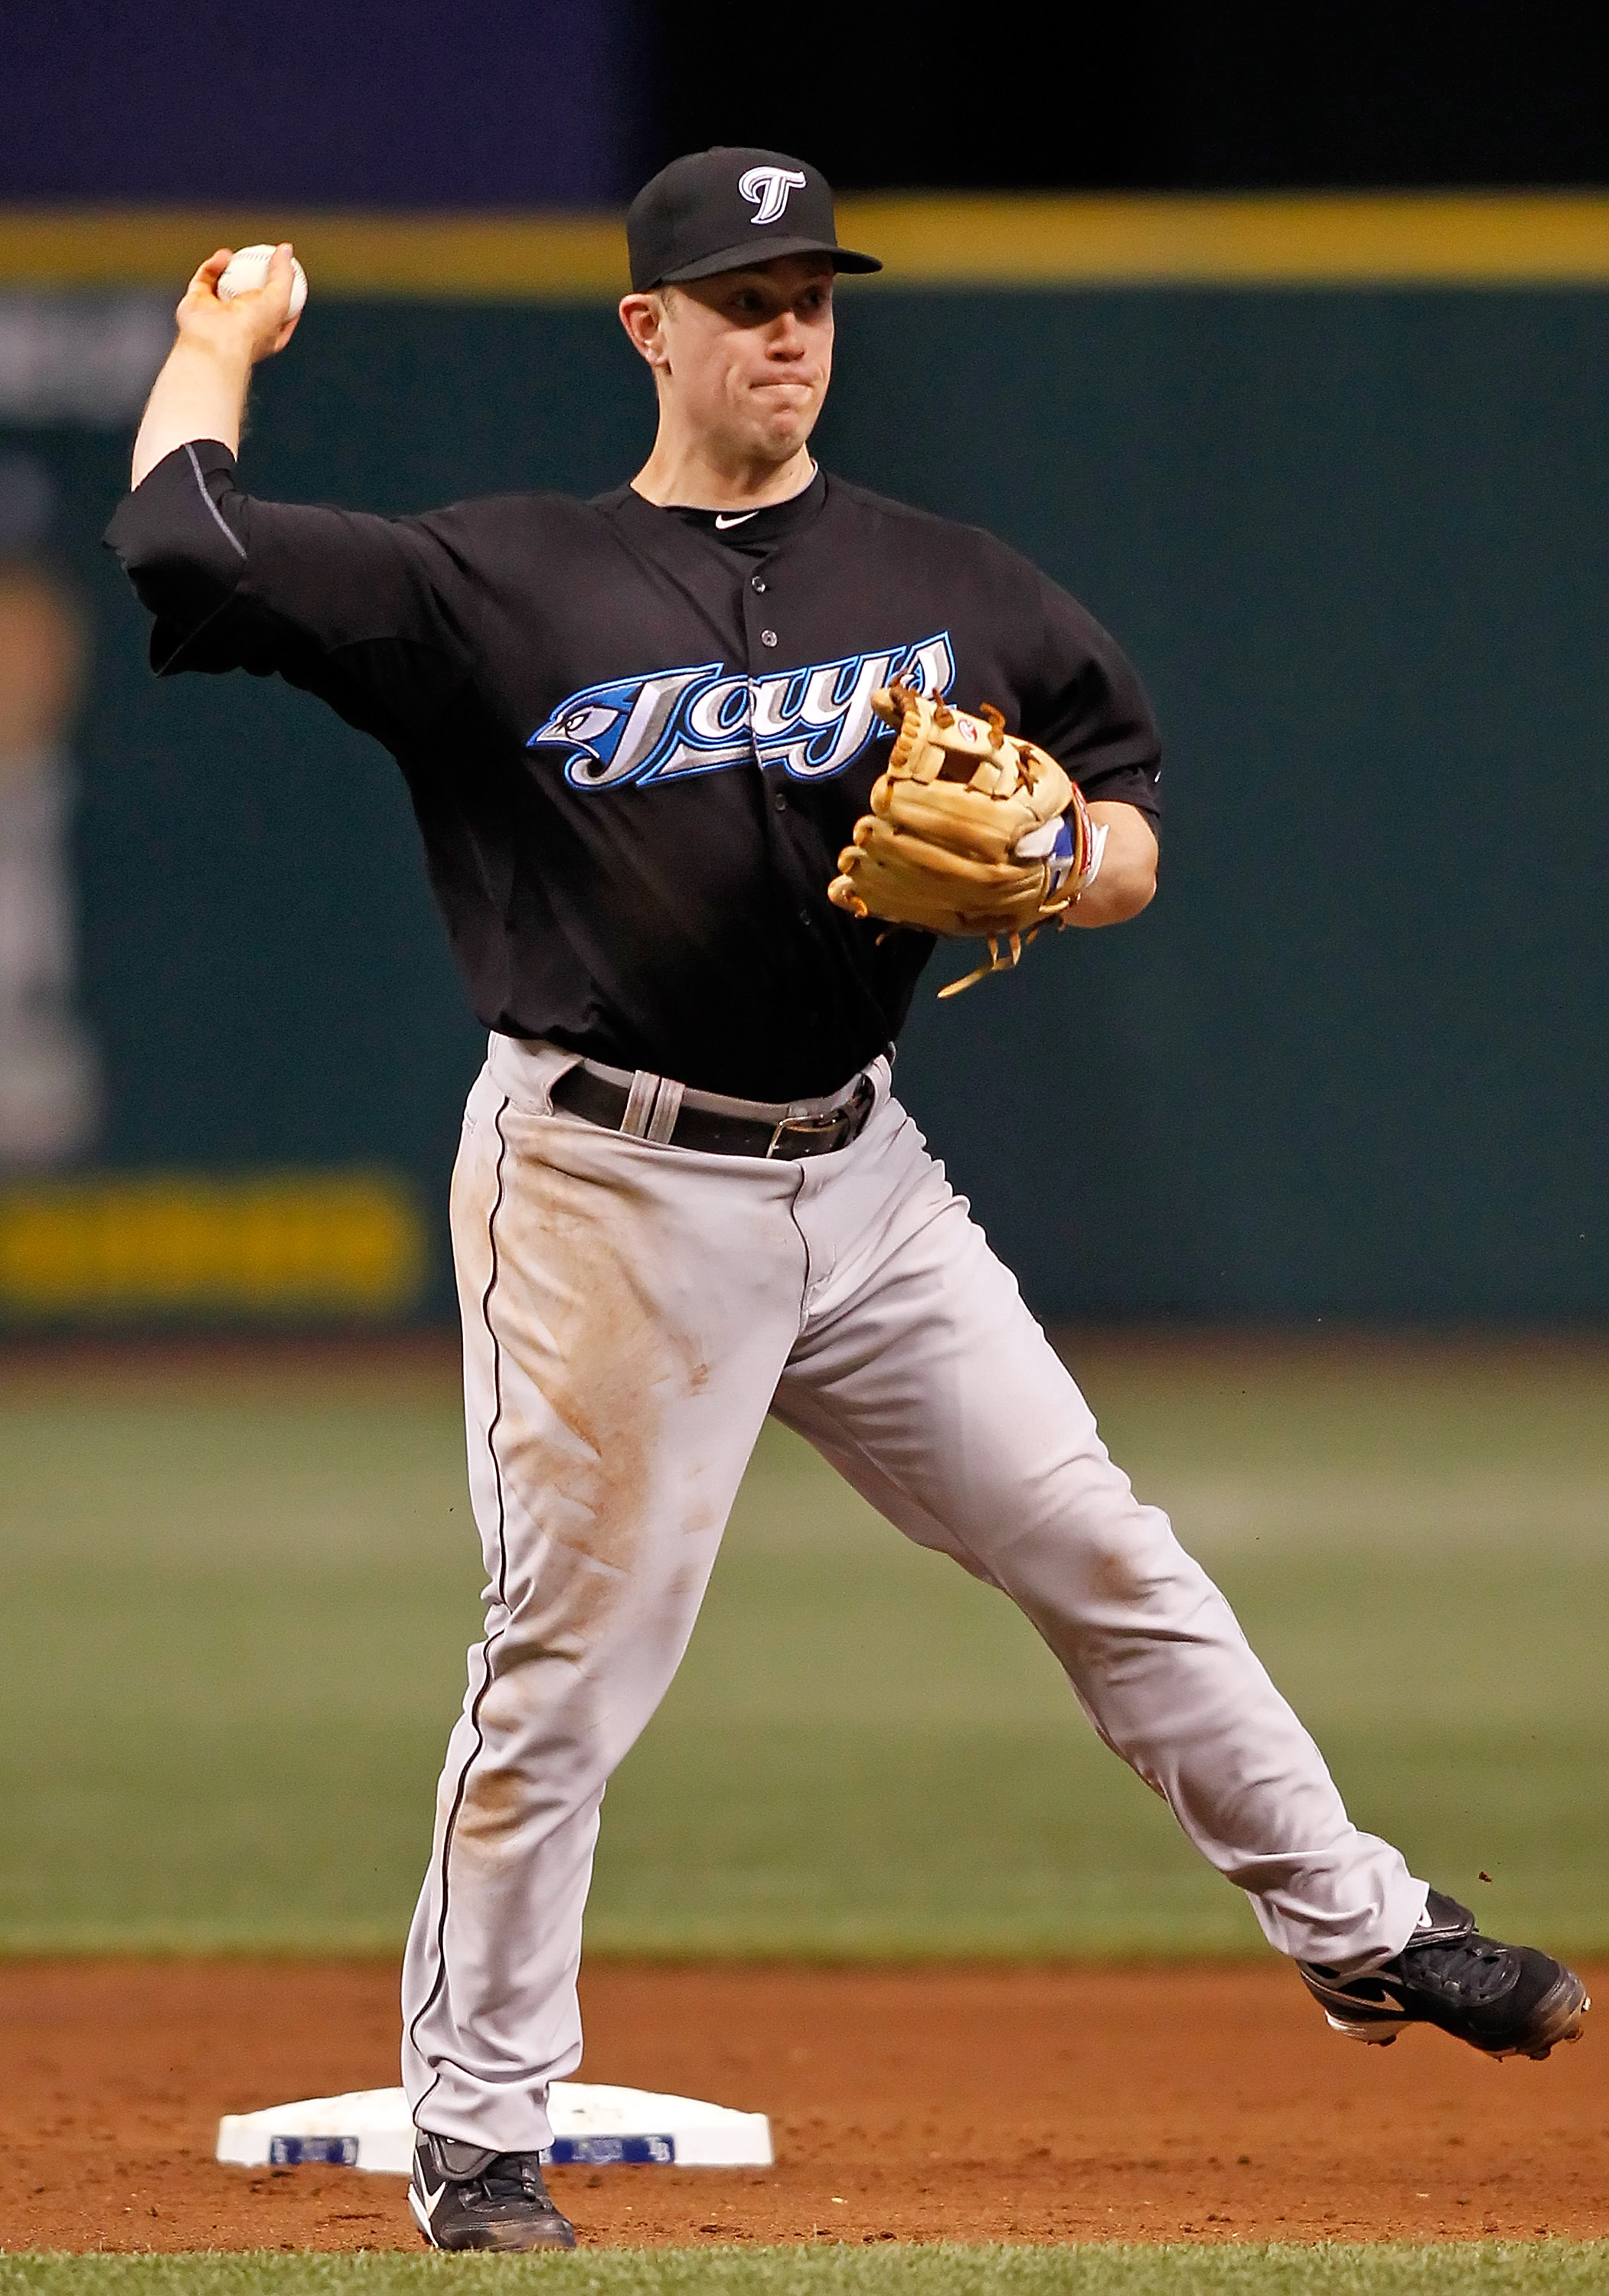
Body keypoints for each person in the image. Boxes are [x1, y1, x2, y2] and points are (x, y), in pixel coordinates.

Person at [107, 147, 1588, 2255]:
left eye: (814, 291)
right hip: (606, 1182)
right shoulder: (502, 580)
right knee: (570, 1661)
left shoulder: (956, 582)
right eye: (745, 295)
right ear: (653, 328)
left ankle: (1363, 1934)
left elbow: (1130, 810)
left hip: (865, 1175)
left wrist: (1071, 866)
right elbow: (181, 540)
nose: (789, 326)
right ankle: (479, 2129)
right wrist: (212, 340)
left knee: (1104, 1550)